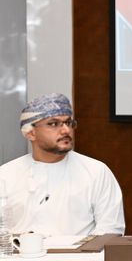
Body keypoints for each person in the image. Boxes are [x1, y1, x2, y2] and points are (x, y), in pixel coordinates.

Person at [0, 93, 125, 236]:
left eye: (69, 123)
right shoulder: (6, 175)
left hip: (82, 251)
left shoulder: (96, 171)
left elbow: (110, 230)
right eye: (53, 124)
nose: (66, 130)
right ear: (31, 133)